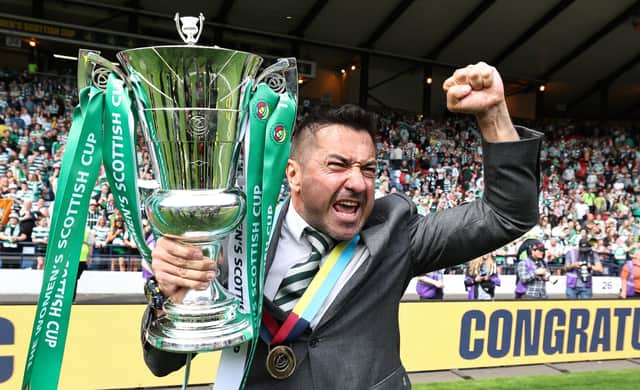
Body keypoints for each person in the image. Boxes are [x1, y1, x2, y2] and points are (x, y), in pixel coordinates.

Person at [140, 62, 542, 389]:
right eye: (337, 165)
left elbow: (506, 214)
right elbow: (161, 363)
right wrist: (170, 296)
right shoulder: (237, 240)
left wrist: (493, 114)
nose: (357, 182)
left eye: (368, 169)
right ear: (293, 175)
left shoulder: (396, 232)